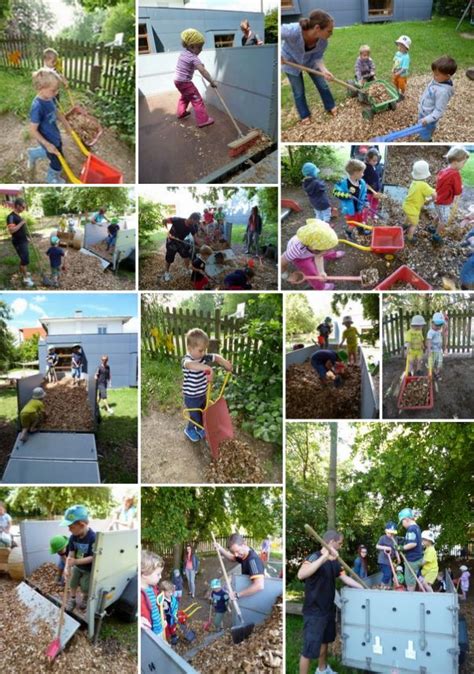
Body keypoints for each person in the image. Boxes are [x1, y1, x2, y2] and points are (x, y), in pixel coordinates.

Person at [298, 529, 363, 674]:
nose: (340, 546)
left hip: (328, 609)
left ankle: (322, 670)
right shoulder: (314, 557)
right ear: (331, 542)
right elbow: (301, 574)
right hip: (314, 611)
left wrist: (364, 588)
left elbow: (345, 577)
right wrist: (324, 557)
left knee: (325, 642)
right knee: (308, 650)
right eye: (339, 543)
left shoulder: (335, 562)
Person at [281, 10, 337, 123]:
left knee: (323, 85)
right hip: (290, 61)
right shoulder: (293, 30)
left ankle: (330, 106)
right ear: (317, 28)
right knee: (298, 91)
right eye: (329, 31)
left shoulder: (323, 42)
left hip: (310, 62)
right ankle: (304, 114)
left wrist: (324, 70)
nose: (331, 34)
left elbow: (318, 57)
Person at [182, 328, 232, 442]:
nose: (203, 353)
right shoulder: (187, 360)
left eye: (204, 350)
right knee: (195, 415)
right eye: (200, 350)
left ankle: (200, 427)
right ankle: (189, 429)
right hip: (191, 397)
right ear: (190, 349)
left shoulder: (203, 357)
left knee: (203, 411)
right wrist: (208, 368)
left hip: (202, 394)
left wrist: (225, 363)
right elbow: (190, 365)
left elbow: (216, 356)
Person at [29, 69, 72, 184]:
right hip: (48, 140)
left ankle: (33, 153)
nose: (56, 93)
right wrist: (47, 144)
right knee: (57, 162)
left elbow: (56, 111)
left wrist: (66, 124)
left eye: (57, 89)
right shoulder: (37, 107)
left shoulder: (49, 97)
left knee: (53, 151)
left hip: (54, 135)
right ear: (40, 88)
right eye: (53, 90)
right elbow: (33, 130)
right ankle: (51, 177)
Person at [281, 220, 343, 291]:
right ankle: (320, 287)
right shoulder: (296, 250)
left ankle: (333, 255)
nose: (327, 250)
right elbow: (281, 263)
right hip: (301, 258)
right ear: (314, 248)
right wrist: (287, 276)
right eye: (326, 249)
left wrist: (321, 271)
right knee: (311, 272)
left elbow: (319, 256)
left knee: (326, 253)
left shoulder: (316, 244)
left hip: (313, 250)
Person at [175, 29, 217, 128]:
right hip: (185, 82)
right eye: (199, 47)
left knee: (185, 96)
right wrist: (211, 81)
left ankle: (181, 113)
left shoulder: (184, 53)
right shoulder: (193, 57)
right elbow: (203, 71)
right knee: (197, 100)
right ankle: (203, 120)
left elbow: (187, 65)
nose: (201, 49)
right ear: (191, 46)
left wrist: (198, 66)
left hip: (177, 81)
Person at [60, 504, 96, 611]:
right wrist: (66, 567)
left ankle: (85, 598)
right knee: (72, 582)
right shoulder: (72, 537)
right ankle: (72, 599)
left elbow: (93, 557)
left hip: (88, 569)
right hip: (77, 567)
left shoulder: (93, 538)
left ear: (82, 525)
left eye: (71, 527)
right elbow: (70, 554)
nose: (69, 530)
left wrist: (76, 561)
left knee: (85, 587)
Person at [431, 146, 470, 242]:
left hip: (437, 199)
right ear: (456, 162)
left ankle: (431, 227)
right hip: (444, 202)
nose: (464, 165)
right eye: (463, 162)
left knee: (439, 214)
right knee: (443, 220)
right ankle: (437, 235)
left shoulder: (443, 171)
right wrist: (461, 188)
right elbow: (457, 191)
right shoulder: (455, 174)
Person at [418, 56, 457, 142]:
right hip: (424, 112)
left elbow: (439, 111)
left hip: (428, 117)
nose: (433, 76)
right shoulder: (438, 80)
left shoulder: (443, 92)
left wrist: (427, 119)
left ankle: (426, 140)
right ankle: (423, 134)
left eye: (436, 74)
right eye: (434, 73)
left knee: (426, 132)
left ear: (447, 76)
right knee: (422, 129)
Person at [214, 533, 265, 598]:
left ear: (244, 544)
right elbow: (232, 558)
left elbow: (259, 585)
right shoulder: (244, 553)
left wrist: (237, 595)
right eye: (233, 552)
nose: (236, 555)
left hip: (254, 597)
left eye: (237, 551)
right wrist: (220, 548)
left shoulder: (252, 560)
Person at [402, 160, 436, 243]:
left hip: (406, 205)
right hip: (413, 209)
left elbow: (417, 194)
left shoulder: (414, 182)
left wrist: (425, 200)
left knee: (408, 216)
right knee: (414, 224)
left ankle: (404, 225)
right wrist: (432, 200)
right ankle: (409, 238)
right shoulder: (424, 185)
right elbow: (434, 195)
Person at [333, 159, 369, 237]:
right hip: (350, 209)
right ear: (355, 173)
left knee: (360, 220)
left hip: (359, 207)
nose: (363, 174)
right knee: (352, 223)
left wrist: (366, 202)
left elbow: (364, 194)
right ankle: (348, 232)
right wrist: (346, 196)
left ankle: (361, 231)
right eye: (362, 172)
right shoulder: (343, 183)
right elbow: (335, 192)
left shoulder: (361, 182)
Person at [163, 212, 200, 282]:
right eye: (196, 222)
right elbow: (164, 221)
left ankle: (187, 270)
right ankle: (166, 273)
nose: (196, 223)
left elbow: (195, 238)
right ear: (192, 219)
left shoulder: (192, 227)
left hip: (180, 242)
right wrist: (168, 232)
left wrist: (201, 245)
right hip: (171, 242)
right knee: (169, 258)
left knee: (186, 255)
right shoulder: (178, 220)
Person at [6, 197, 34, 287]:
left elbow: (20, 230)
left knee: (23, 259)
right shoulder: (11, 216)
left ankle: (23, 272)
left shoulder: (18, 215)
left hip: (23, 240)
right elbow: (12, 230)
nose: (24, 209)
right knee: (25, 260)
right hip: (18, 242)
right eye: (23, 207)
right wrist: (22, 223)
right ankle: (26, 279)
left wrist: (26, 237)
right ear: (17, 206)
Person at [398, 507, 424, 592]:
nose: (402, 524)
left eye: (402, 521)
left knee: (409, 580)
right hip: (418, 557)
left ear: (407, 519)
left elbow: (413, 543)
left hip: (412, 560)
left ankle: (410, 596)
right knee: (414, 577)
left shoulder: (411, 529)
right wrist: (404, 539)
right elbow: (413, 540)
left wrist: (401, 548)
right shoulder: (417, 527)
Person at [141, 550, 165, 636]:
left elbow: (157, 607)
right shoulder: (140, 596)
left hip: (160, 628)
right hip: (151, 634)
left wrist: (163, 618)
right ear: (144, 574)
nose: (160, 577)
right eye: (158, 574)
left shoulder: (153, 588)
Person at [376, 522, 400, 589]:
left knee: (390, 574)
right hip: (382, 560)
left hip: (389, 561)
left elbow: (396, 549)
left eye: (392, 533)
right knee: (387, 574)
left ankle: (385, 587)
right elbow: (377, 546)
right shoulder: (382, 538)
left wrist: (398, 558)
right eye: (389, 533)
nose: (391, 535)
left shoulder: (395, 539)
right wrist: (385, 547)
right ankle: (381, 587)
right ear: (386, 531)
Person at [426, 312, 446, 380]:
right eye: (436, 325)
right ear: (432, 323)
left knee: (440, 363)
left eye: (440, 325)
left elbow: (444, 331)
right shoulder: (430, 332)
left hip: (439, 351)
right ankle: (432, 373)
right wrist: (429, 350)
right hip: (433, 351)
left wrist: (446, 322)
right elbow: (429, 341)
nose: (438, 327)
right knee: (431, 364)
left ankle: (437, 373)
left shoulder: (438, 330)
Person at [363, 148, 382, 215]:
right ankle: (365, 218)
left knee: (374, 204)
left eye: (377, 161)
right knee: (367, 205)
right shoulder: (365, 167)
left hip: (375, 191)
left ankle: (373, 215)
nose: (375, 162)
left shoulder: (374, 166)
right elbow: (363, 181)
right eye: (374, 160)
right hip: (369, 191)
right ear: (368, 159)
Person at [160, 580, 180, 644]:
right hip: (168, 619)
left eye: (171, 592)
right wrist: (164, 607)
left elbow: (175, 604)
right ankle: (172, 638)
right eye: (169, 592)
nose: (171, 594)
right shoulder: (163, 601)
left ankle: (173, 634)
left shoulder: (172, 597)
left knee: (173, 626)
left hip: (173, 616)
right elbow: (164, 611)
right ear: (163, 592)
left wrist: (176, 614)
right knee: (169, 628)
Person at [392, 35, 411, 99]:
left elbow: (404, 68)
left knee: (401, 84)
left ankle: (402, 94)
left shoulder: (406, 57)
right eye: (399, 45)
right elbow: (395, 62)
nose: (399, 47)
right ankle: (397, 92)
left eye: (402, 46)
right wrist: (393, 68)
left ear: (406, 48)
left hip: (402, 74)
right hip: (396, 72)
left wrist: (398, 73)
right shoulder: (397, 53)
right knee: (395, 82)